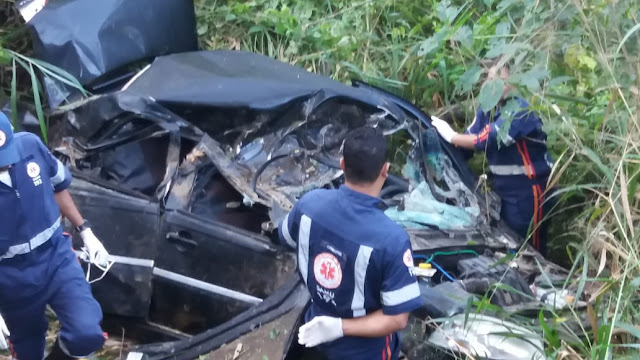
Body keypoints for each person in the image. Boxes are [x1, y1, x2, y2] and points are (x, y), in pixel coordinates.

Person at [278, 126, 423, 360]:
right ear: (385, 170)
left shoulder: (309, 204)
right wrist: (339, 327)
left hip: (312, 334)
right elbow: (397, 319)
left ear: (342, 165)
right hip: (365, 352)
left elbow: (283, 237)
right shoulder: (392, 239)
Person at [0, 111, 110, 360]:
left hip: (56, 258)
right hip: (11, 278)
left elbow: (58, 186)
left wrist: (86, 230)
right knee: (28, 348)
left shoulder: (30, 146)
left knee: (86, 333)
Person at [430, 60, 555, 256]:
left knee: (531, 248)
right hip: (504, 192)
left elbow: (487, 138)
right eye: (490, 79)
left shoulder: (519, 110)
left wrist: (451, 135)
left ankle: (541, 283)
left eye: (500, 80)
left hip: (530, 192)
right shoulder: (487, 110)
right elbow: (469, 139)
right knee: (509, 243)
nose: (493, 85)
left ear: (514, 82)